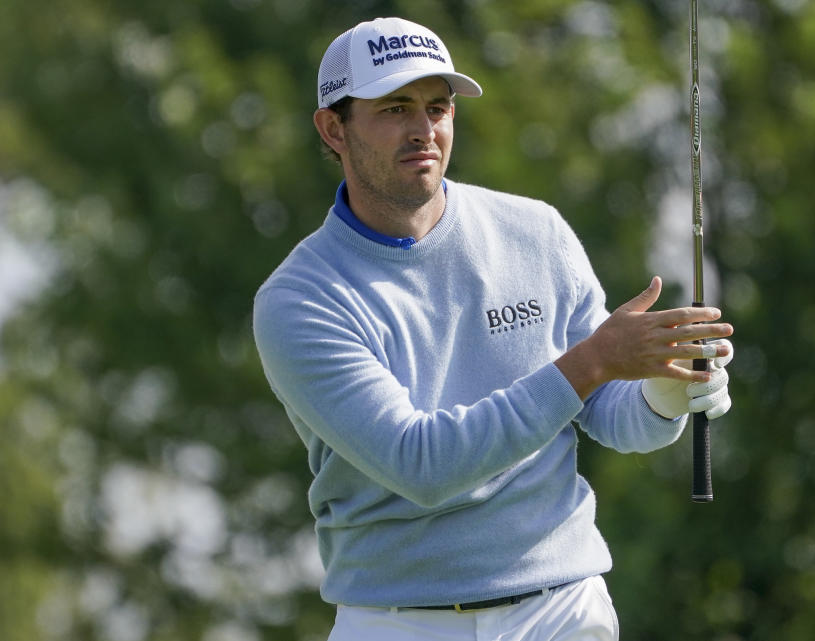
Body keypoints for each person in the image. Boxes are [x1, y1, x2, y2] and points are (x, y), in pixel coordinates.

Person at [252, 16, 734, 641]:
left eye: (438, 107)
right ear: (333, 128)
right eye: (395, 109)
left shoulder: (535, 231)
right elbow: (422, 465)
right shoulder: (300, 299)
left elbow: (610, 414)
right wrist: (596, 362)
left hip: (563, 610)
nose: (423, 130)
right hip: (400, 623)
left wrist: (664, 391)